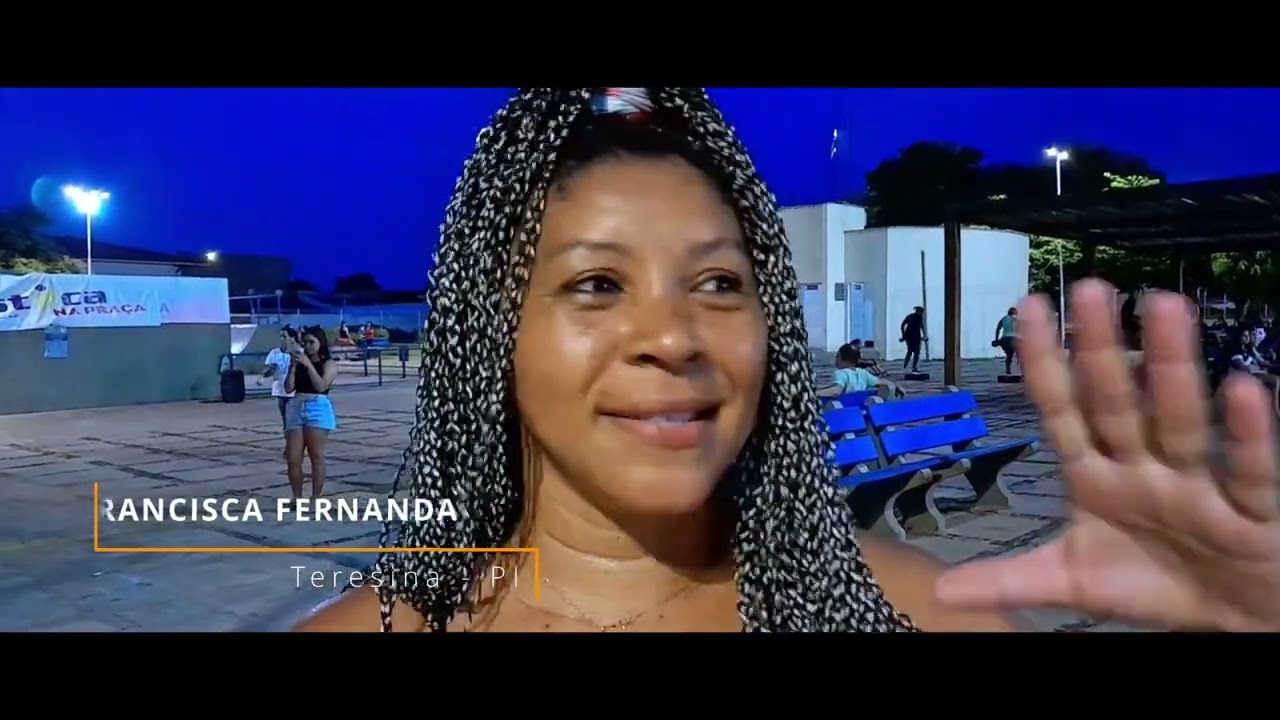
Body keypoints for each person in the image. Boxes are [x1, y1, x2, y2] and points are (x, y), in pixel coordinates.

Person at [296, 88, 1280, 633]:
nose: (674, 336)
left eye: (719, 283)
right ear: (488, 332)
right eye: (596, 283)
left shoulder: (911, 609)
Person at [284, 325, 339, 499]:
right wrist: (293, 368)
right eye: (305, 343)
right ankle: (297, 497)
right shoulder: (300, 362)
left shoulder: (328, 364)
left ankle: (316, 497)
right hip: (296, 406)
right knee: (293, 458)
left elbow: (321, 386)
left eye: (311, 342)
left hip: (317, 407)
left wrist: (309, 366)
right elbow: (288, 388)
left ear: (320, 343)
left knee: (316, 456)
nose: (307, 346)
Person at [259, 326, 299, 451]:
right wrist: (267, 372)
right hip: (280, 390)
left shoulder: (298, 352)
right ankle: (289, 445)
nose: (282, 339)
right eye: (281, 336)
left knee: (293, 419)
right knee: (285, 419)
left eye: (285, 336)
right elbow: (268, 370)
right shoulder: (274, 353)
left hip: (294, 391)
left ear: (292, 338)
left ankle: (295, 445)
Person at [818, 343, 884, 398]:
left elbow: (836, 391)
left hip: (843, 407)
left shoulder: (840, 373)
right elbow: (883, 383)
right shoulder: (863, 373)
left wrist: (816, 394)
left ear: (839, 356)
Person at [899, 306, 926, 373]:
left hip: (917, 337)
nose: (919, 312)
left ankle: (914, 367)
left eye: (920, 311)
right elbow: (903, 325)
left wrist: (924, 336)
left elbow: (922, 327)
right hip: (909, 337)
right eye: (918, 311)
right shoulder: (911, 316)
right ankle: (905, 365)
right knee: (910, 351)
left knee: (916, 353)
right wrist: (903, 335)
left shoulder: (920, 318)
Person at [994, 307, 1019, 375]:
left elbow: (998, 329)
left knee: (1009, 355)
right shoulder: (1017, 320)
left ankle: (1008, 371)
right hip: (1015, 339)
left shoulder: (1004, 319)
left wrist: (996, 340)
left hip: (1005, 340)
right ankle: (1023, 371)